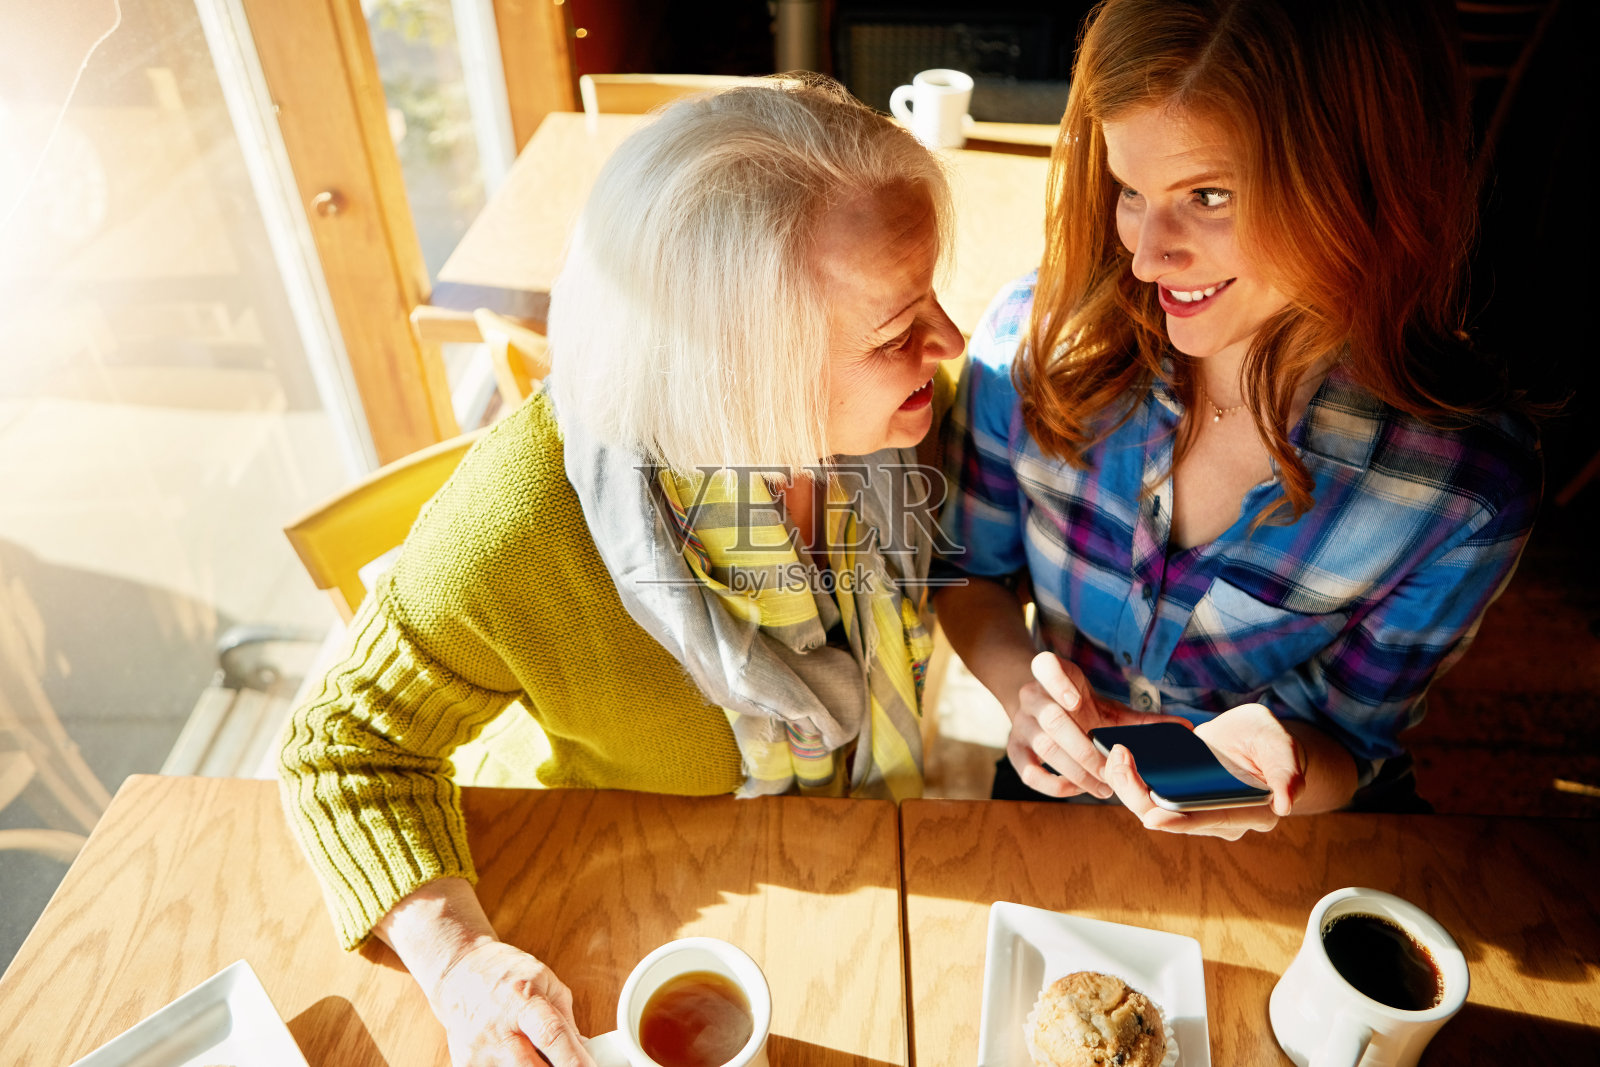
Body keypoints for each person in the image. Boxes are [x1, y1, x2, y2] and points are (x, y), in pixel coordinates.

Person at [278, 79, 963, 1067]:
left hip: (856, 850)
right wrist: (463, 960)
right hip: (631, 906)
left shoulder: (894, 425)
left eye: (929, 298)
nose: (945, 345)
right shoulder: (523, 518)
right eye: (899, 330)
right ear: (741, 372)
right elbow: (340, 746)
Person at [935, 0, 1540, 837]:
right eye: (1130, 191)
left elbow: (1353, 745)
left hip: (1297, 838)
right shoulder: (1029, 350)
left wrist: (1272, 767)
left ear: (1362, 178)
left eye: (1208, 195)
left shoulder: (1459, 493)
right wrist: (1023, 692)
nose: (1147, 255)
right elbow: (966, 573)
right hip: (1062, 798)